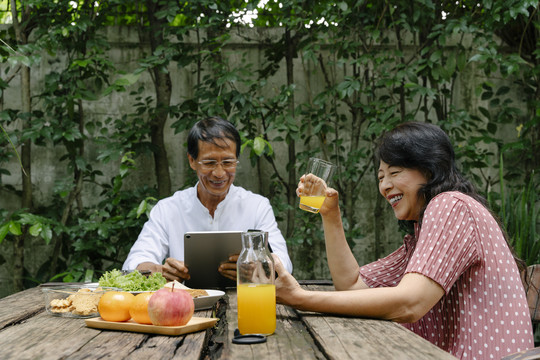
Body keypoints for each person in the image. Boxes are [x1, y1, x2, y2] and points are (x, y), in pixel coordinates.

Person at [272, 122, 533, 359]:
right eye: (381, 177)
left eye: (395, 172)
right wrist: (331, 215)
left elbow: (410, 303)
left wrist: (298, 297)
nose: (385, 185)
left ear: (429, 169)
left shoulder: (451, 206)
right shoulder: (422, 234)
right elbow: (351, 285)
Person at [123, 116, 293, 282]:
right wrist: (161, 271)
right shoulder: (168, 209)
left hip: (244, 301)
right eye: (210, 163)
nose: (219, 173)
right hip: (186, 305)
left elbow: (283, 263)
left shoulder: (257, 206)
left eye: (227, 162)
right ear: (192, 161)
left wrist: (258, 268)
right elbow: (135, 264)